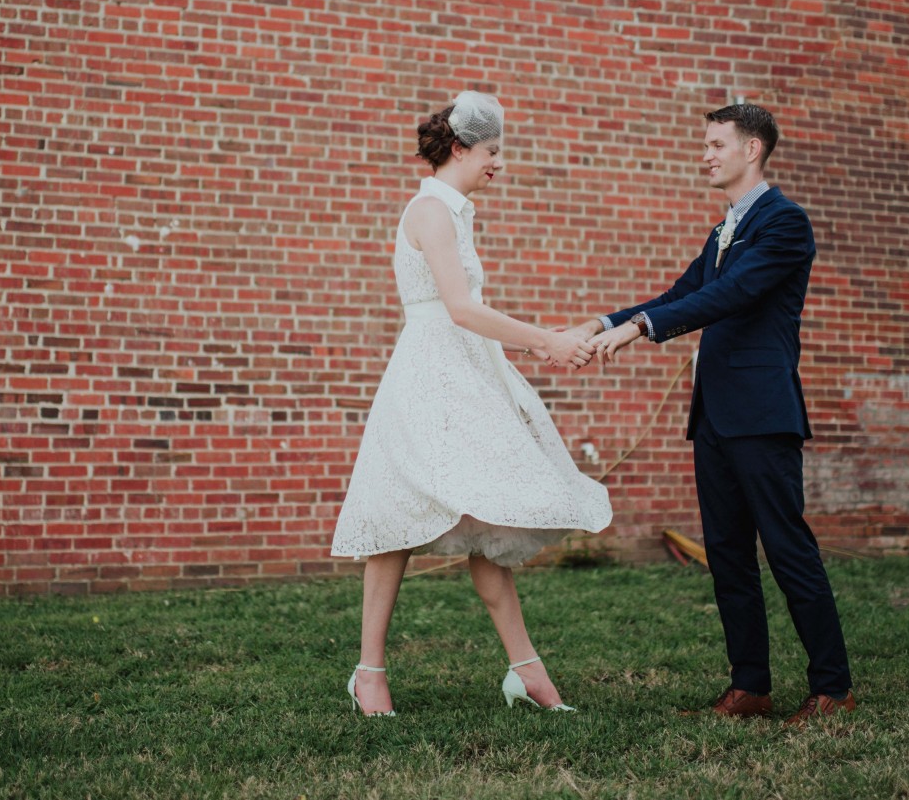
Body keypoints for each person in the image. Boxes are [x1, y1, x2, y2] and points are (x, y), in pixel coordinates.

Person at [331, 90, 615, 717]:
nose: (499, 164)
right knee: (397, 518)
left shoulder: (454, 213)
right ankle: (369, 674)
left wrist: (542, 343)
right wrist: (545, 342)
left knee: (489, 516)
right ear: (461, 148)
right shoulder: (431, 211)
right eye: (493, 152)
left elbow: (468, 312)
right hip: (432, 374)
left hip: (467, 369)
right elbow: (460, 308)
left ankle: (527, 673)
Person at [573, 103, 854, 726]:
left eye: (715, 144)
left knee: (787, 551)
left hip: (762, 413)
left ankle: (833, 686)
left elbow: (730, 295)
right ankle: (750, 685)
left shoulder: (785, 222)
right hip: (715, 419)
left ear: (751, 149)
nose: (705, 154)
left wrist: (641, 330)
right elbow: (683, 295)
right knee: (727, 555)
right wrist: (604, 322)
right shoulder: (723, 229)